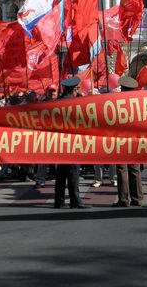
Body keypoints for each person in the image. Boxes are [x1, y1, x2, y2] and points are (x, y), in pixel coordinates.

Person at [54, 77, 90, 209]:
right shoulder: (75, 104)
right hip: (72, 142)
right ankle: (75, 200)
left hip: (59, 142)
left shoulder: (57, 102)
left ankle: (59, 200)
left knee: (61, 173)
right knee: (73, 172)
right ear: (74, 89)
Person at [113, 76, 144, 207]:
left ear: (122, 88)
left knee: (122, 169)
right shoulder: (138, 103)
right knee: (134, 169)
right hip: (135, 139)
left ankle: (124, 199)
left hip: (121, 139)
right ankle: (137, 198)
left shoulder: (116, 102)